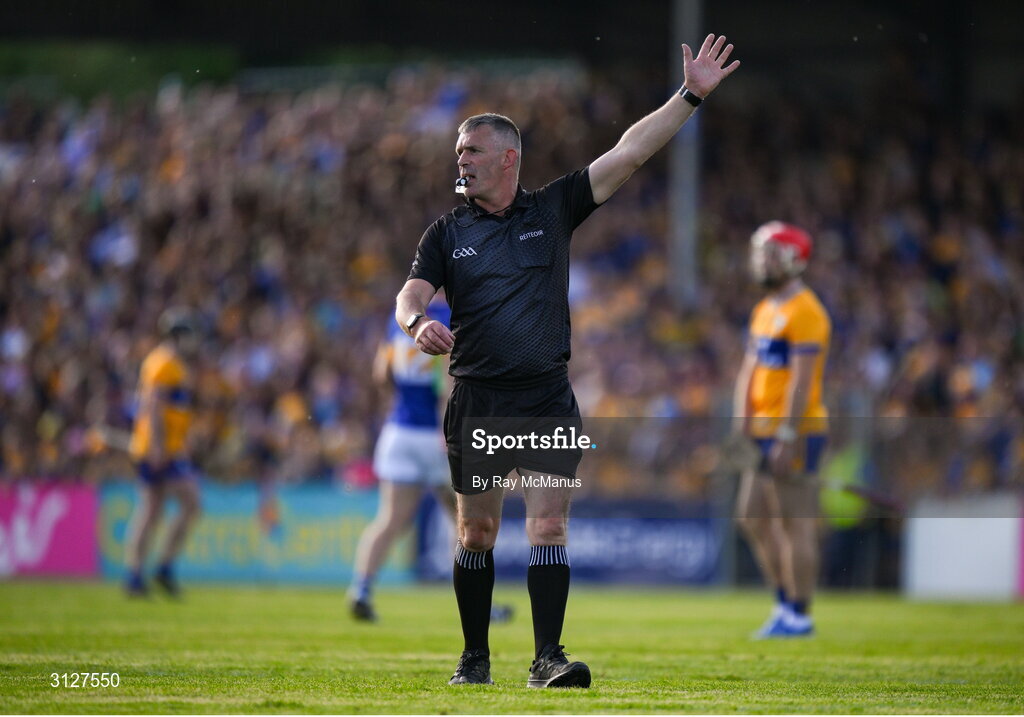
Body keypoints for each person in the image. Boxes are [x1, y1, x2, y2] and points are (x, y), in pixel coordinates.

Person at [395, 35, 740, 687]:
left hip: (548, 395)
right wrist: (417, 323)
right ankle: (475, 657)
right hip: (479, 398)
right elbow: (409, 293)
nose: (461, 160)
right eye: (459, 151)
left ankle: (547, 657)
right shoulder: (446, 232)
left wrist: (690, 94)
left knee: (550, 523)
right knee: (477, 534)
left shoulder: (553, 208)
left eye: (471, 150)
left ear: (508, 157)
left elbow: (630, 152)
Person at [732, 221, 832, 638]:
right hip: (762, 430)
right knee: (751, 516)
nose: (761, 262)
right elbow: (750, 373)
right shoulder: (765, 309)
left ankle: (799, 614)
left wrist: (787, 436)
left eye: (771, 254)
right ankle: (784, 602)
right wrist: (742, 424)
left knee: (794, 524)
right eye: (760, 253)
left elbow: (801, 382)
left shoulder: (806, 311)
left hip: (795, 431)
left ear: (794, 259)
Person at [349, 300, 457, 621]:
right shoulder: (451, 317)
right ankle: (479, 603)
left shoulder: (399, 318)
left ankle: (361, 588)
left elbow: (381, 373)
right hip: (434, 434)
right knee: (466, 520)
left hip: (397, 431)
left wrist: (400, 403)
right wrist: (445, 426)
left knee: (390, 519)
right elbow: (448, 382)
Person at [124, 308, 204, 597]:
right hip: (157, 449)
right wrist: (158, 446)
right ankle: (154, 570)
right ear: (177, 335)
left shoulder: (175, 364)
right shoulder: (163, 363)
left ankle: (143, 572)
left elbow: (174, 410)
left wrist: (181, 442)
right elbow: (154, 407)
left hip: (169, 448)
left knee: (154, 510)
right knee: (175, 505)